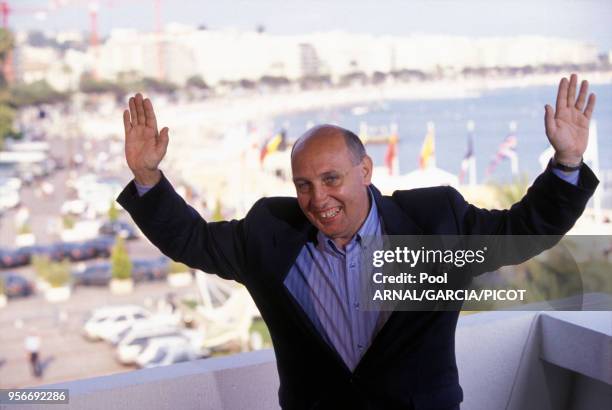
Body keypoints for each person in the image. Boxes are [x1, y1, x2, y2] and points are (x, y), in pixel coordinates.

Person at [117, 74, 597, 409]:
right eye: (303, 184)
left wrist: (567, 164)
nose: (317, 197)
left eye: (330, 179)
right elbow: (192, 239)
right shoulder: (269, 232)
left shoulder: (432, 220)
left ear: (365, 171)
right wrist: (147, 177)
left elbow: (522, 231)